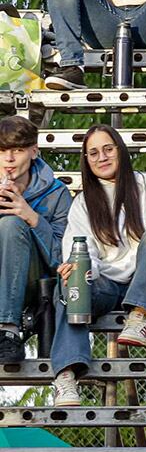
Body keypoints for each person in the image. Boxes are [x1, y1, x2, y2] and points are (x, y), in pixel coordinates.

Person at [48, 126, 146, 406]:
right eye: (93, 153)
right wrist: (80, 274)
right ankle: (66, 375)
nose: (102, 157)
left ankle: (140, 316)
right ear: (86, 160)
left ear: (121, 150)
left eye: (108, 149)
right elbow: (84, 254)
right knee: (68, 283)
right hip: (106, 286)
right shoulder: (84, 202)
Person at [0, 116, 73, 366]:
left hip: (35, 283)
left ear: (33, 151)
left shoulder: (57, 194)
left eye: (17, 150)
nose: (9, 159)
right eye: (2, 151)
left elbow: (64, 260)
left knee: (12, 223)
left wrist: (31, 216)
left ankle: (8, 330)